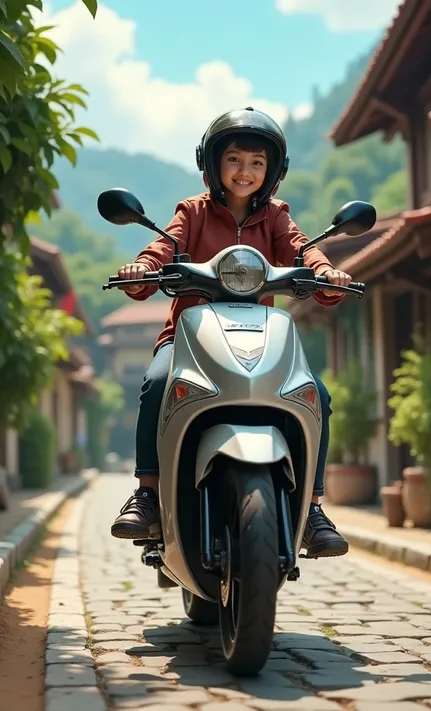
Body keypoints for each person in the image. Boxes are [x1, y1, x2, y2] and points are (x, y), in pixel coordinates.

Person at [111, 107, 352, 558]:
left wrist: (326, 272)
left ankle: (314, 507)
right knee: (158, 382)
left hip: (260, 340)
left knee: (315, 392)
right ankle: (146, 493)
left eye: (257, 162)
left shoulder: (277, 217)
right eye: (235, 159)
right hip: (190, 341)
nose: (245, 171)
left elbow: (303, 252)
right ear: (214, 165)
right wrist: (143, 267)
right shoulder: (193, 212)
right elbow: (164, 246)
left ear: (273, 171)